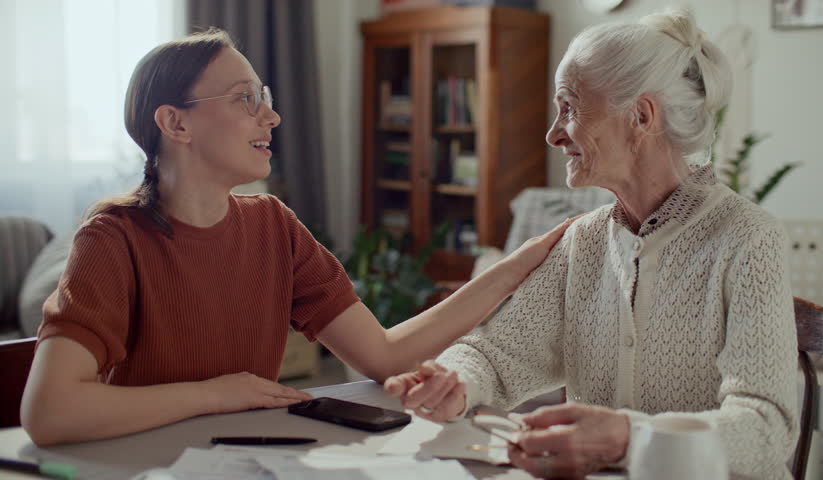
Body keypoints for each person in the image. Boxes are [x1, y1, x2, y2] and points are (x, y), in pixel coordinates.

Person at [20, 28, 575, 446]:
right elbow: (50, 413)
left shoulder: (273, 226)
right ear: (176, 123)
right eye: (246, 99)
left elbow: (385, 355)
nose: (273, 116)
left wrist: (518, 263)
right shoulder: (112, 241)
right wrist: (217, 394)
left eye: (263, 96)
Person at [384, 9, 798, 480]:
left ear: (641, 116)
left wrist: (627, 436)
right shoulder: (583, 239)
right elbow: (497, 355)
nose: (554, 134)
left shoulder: (747, 238)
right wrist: (455, 381)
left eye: (570, 107)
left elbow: (767, 428)